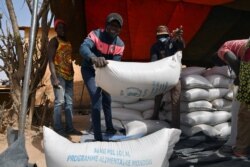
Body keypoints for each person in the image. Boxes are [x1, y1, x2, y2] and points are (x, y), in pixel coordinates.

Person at [79, 13, 125, 141]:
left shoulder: (120, 44)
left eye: (117, 26)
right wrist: (93, 58)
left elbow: (115, 64)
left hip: (105, 72)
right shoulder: (96, 34)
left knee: (107, 98)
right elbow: (83, 48)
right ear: (106, 25)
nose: (114, 28)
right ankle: (98, 137)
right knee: (96, 97)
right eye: (111, 25)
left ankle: (109, 127)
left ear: (120, 29)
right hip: (89, 70)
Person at [215, 39, 250, 157]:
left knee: (244, 112)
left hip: (247, 64)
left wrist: (240, 77)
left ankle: (240, 148)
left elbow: (233, 61)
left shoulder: (222, 50)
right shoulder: (238, 43)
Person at [48, 19, 82, 137]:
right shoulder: (54, 41)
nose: (62, 30)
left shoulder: (68, 42)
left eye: (64, 28)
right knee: (59, 102)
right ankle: (58, 129)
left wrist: (72, 72)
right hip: (58, 75)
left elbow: (68, 59)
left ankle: (70, 128)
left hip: (69, 76)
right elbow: (51, 61)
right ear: (56, 29)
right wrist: (54, 77)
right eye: (60, 28)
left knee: (69, 103)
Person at [150, 25, 185, 129]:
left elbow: (181, 46)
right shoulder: (155, 47)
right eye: (160, 36)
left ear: (168, 35)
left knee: (176, 101)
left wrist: (178, 38)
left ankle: (175, 127)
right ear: (157, 37)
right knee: (157, 97)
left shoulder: (173, 42)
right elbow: (153, 62)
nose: (162, 38)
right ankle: (154, 118)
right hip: (162, 76)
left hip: (174, 76)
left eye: (165, 36)